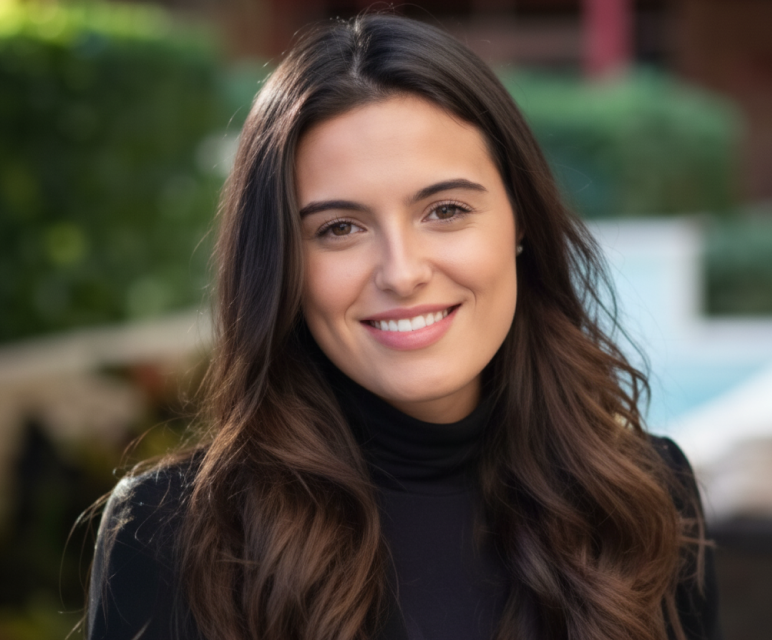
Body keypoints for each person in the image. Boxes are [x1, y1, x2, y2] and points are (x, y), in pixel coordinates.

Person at [87, 13, 721, 640]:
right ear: (282, 263)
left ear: (521, 220)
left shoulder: (645, 497)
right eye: (339, 228)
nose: (402, 271)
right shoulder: (170, 536)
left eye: (445, 210)